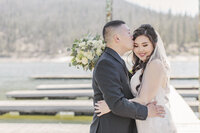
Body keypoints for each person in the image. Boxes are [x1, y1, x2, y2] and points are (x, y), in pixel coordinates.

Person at [90, 21, 165, 133]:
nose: (132, 37)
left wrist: (111, 106)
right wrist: (147, 111)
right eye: (128, 33)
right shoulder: (106, 63)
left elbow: (125, 96)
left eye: (145, 45)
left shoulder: (117, 61)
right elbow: (117, 103)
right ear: (117, 38)